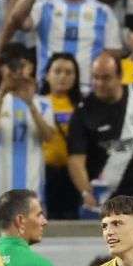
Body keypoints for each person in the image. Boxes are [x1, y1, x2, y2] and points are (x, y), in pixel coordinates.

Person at [3, 0, 122, 96]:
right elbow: (16, 19)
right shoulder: (44, 7)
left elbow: (113, 56)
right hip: (48, 93)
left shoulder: (104, 13)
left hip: (87, 93)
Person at [67, 54, 133, 213]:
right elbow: (75, 160)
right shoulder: (83, 111)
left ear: (120, 77)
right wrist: (86, 192)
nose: (99, 83)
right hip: (103, 201)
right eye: (95, 77)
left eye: (106, 78)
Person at [0, 48, 56, 205]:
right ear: (2, 69)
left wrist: (30, 104)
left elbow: (49, 137)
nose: (16, 72)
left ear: (30, 68)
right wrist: (2, 94)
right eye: (12, 66)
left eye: (21, 66)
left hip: (33, 189)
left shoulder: (43, 102)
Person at [40, 53, 83, 219]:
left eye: (69, 72)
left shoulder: (82, 105)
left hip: (73, 174)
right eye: (57, 71)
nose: (63, 76)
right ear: (47, 75)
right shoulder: (38, 103)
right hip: (44, 172)